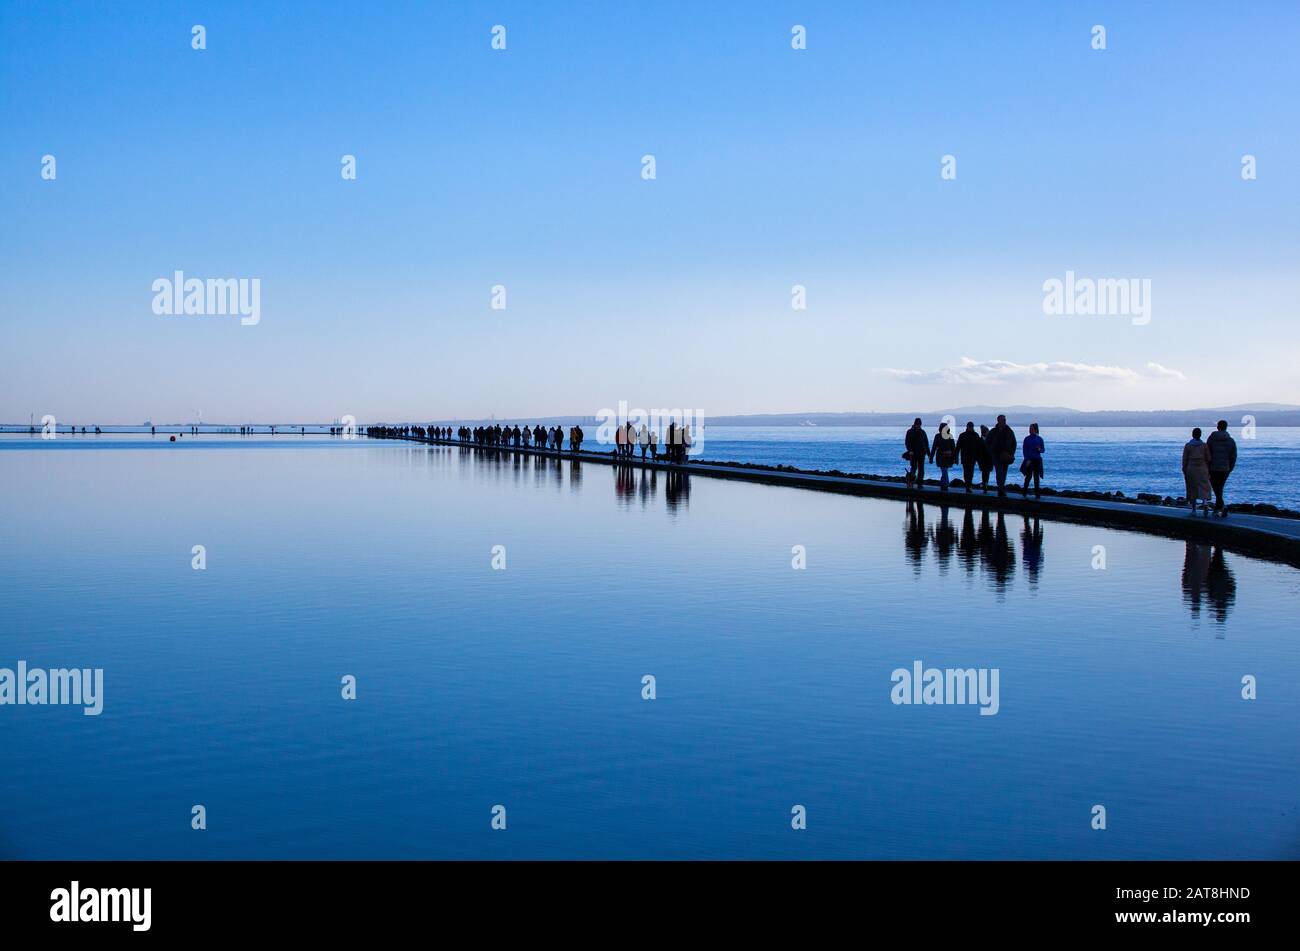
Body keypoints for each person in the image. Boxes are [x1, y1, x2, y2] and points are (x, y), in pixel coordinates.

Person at [1206, 419, 1237, 516]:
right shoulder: (1231, 441)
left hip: (1213, 467)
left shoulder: (1211, 439)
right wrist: (1230, 467)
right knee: (1220, 487)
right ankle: (1219, 507)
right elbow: (1233, 456)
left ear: (1217, 427)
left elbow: (1207, 453)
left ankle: (1220, 506)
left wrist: (1207, 465)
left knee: (1216, 487)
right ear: (1226, 427)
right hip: (1225, 468)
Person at [1182, 427, 1213, 516]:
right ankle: (1205, 503)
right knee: (1204, 487)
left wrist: (1184, 469)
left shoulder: (1188, 445)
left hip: (1191, 468)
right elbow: (1208, 458)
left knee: (1192, 489)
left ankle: (1194, 510)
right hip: (1202, 468)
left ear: (1193, 435)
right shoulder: (1204, 445)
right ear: (1200, 435)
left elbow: (1185, 459)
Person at [987, 415, 1017, 497]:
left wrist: (1011, 453)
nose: (1004, 421)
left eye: (1005, 420)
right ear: (998, 421)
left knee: (1004, 473)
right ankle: (1001, 489)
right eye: (1002, 420)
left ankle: (1001, 488)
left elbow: (1014, 443)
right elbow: (987, 442)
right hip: (996, 455)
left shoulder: (1009, 431)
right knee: (999, 472)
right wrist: (991, 451)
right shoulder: (993, 431)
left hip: (1006, 455)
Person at [955, 421, 983, 493]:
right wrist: (956, 458)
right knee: (967, 472)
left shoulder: (975, 435)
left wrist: (979, 459)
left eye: (971, 426)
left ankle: (969, 485)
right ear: (967, 427)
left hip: (972, 457)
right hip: (965, 457)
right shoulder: (963, 435)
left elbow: (979, 448)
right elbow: (958, 447)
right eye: (970, 426)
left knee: (970, 472)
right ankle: (968, 486)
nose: (970, 428)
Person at [1020, 423, 1045, 498]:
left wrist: (1039, 449)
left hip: (1037, 460)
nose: (1030, 430)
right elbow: (1024, 450)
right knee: (1028, 476)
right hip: (1029, 460)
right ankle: (1024, 492)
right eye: (1029, 428)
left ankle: (1037, 494)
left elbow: (1043, 449)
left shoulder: (1039, 439)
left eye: (1031, 428)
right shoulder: (1026, 439)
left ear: (1035, 429)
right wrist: (1026, 459)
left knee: (1036, 477)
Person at [904, 418, 929, 489]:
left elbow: (926, 444)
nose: (918, 425)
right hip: (913, 454)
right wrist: (910, 450)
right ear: (915, 424)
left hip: (922, 453)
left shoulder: (923, 432)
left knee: (921, 469)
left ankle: (919, 483)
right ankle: (910, 482)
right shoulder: (910, 431)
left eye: (919, 424)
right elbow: (907, 442)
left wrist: (929, 454)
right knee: (914, 468)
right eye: (917, 424)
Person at [930, 423, 956, 491]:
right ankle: (945, 484)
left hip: (946, 456)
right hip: (942, 456)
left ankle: (943, 484)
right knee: (944, 470)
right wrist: (931, 457)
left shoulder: (947, 436)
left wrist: (954, 458)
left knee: (944, 470)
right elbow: (934, 447)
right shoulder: (940, 436)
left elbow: (953, 448)